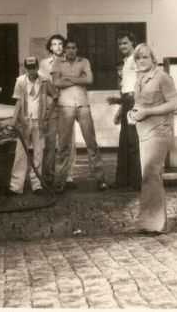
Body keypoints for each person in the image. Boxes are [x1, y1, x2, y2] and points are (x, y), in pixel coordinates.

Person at [129, 44, 177, 235]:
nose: (141, 61)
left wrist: (148, 112)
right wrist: (132, 114)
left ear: (153, 59)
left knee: (152, 174)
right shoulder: (140, 79)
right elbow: (139, 105)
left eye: (145, 58)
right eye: (138, 58)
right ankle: (150, 222)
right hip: (144, 132)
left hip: (159, 132)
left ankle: (156, 224)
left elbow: (175, 103)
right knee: (148, 177)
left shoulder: (162, 77)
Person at [52, 38, 107, 193]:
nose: (71, 50)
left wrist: (69, 79)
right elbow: (56, 82)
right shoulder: (58, 63)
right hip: (65, 106)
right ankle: (60, 182)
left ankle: (100, 179)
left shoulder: (84, 61)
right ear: (65, 49)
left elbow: (89, 79)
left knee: (91, 142)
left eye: (74, 47)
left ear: (77, 49)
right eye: (68, 47)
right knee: (63, 145)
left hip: (83, 104)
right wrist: (78, 81)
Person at [7, 56, 56, 196]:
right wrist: (13, 121)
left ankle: (37, 185)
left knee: (38, 153)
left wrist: (48, 115)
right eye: (29, 68)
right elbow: (17, 103)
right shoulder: (20, 81)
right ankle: (15, 187)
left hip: (39, 122)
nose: (31, 70)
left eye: (34, 67)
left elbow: (55, 96)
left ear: (37, 67)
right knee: (20, 154)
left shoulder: (45, 81)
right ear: (25, 68)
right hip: (24, 121)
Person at [39, 34, 76, 189]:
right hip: (52, 105)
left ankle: (68, 176)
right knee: (50, 142)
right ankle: (48, 176)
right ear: (50, 47)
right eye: (54, 44)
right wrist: (55, 94)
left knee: (68, 142)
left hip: (67, 105)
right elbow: (45, 83)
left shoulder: (71, 61)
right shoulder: (44, 64)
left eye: (60, 44)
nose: (58, 47)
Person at [108, 31, 142, 190]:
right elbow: (125, 88)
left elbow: (141, 82)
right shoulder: (127, 61)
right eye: (120, 44)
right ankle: (123, 181)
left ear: (132, 43)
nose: (122, 46)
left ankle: (136, 182)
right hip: (127, 101)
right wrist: (120, 107)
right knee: (124, 142)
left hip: (134, 101)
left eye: (125, 43)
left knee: (133, 142)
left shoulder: (137, 59)